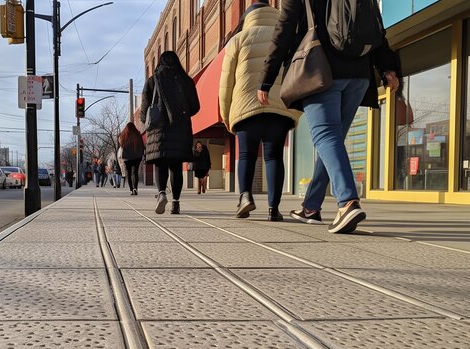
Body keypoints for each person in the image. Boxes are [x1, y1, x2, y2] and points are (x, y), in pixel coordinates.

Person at [258, 0, 400, 233]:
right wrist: (388, 68)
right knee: (332, 141)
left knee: (326, 136)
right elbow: (376, 29)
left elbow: (283, 30)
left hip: (320, 68)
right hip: (359, 75)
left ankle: (347, 202)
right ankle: (311, 207)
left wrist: (266, 78)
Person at [220, 0, 302, 220]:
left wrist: (226, 114)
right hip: (279, 106)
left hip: (246, 105)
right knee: (274, 157)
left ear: (248, 18)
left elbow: (226, 82)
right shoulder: (287, 35)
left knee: (246, 154)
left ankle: (245, 196)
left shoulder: (238, 40)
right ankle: (274, 209)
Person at [140, 51, 200, 214]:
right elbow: (195, 106)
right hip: (180, 129)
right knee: (176, 167)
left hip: (159, 130)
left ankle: (161, 194)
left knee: (161, 164)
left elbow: (144, 110)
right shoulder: (186, 81)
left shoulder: (152, 81)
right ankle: (176, 203)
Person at [119, 122, 145, 195]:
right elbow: (142, 145)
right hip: (137, 156)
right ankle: (135, 188)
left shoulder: (123, 136)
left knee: (129, 173)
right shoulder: (138, 135)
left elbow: (121, 145)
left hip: (127, 157)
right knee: (135, 172)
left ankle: (131, 189)